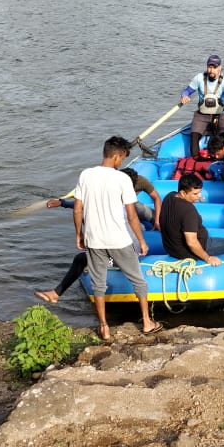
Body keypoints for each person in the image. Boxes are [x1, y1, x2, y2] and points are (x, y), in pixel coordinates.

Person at [73, 136, 163, 340]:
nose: (121, 162)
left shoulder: (86, 175)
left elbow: (78, 210)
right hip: (119, 240)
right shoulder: (122, 179)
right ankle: (147, 322)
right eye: (122, 158)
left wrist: (79, 234)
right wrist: (141, 240)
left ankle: (104, 327)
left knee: (98, 283)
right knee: (138, 281)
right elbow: (131, 215)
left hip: (94, 239)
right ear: (117, 156)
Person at [179, 54, 224, 158]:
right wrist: (184, 96)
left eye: (214, 67)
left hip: (220, 114)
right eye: (209, 67)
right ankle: (195, 160)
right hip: (202, 114)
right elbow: (187, 91)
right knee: (194, 134)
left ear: (220, 68)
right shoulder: (199, 78)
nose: (211, 70)